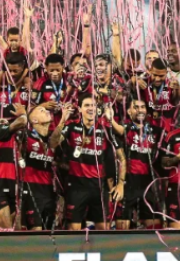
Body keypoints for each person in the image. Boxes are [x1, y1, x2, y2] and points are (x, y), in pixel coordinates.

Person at [50, 95, 125, 230]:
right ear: (79, 109)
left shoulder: (105, 129)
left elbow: (122, 158)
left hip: (99, 186)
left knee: (104, 229)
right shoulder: (71, 127)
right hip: (76, 186)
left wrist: (121, 184)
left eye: (93, 105)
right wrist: (62, 120)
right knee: (74, 229)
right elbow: (53, 143)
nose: (91, 108)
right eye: (87, 105)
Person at [109, 97, 163, 230]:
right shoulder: (126, 129)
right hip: (128, 184)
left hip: (149, 185)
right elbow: (119, 130)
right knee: (122, 227)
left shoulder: (156, 131)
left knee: (155, 227)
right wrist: (110, 119)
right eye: (136, 107)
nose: (140, 110)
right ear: (128, 111)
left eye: (142, 107)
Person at [0, 113, 26, 229]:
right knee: (6, 232)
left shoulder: (12, 143)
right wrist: (24, 114)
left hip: (10, 186)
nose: (4, 122)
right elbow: (21, 121)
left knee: (14, 231)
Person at [20, 105, 57, 231]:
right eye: (42, 110)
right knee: (36, 229)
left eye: (46, 109)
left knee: (49, 229)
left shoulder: (52, 138)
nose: (47, 111)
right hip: (31, 188)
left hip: (49, 189)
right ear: (34, 120)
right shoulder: (26, 136)